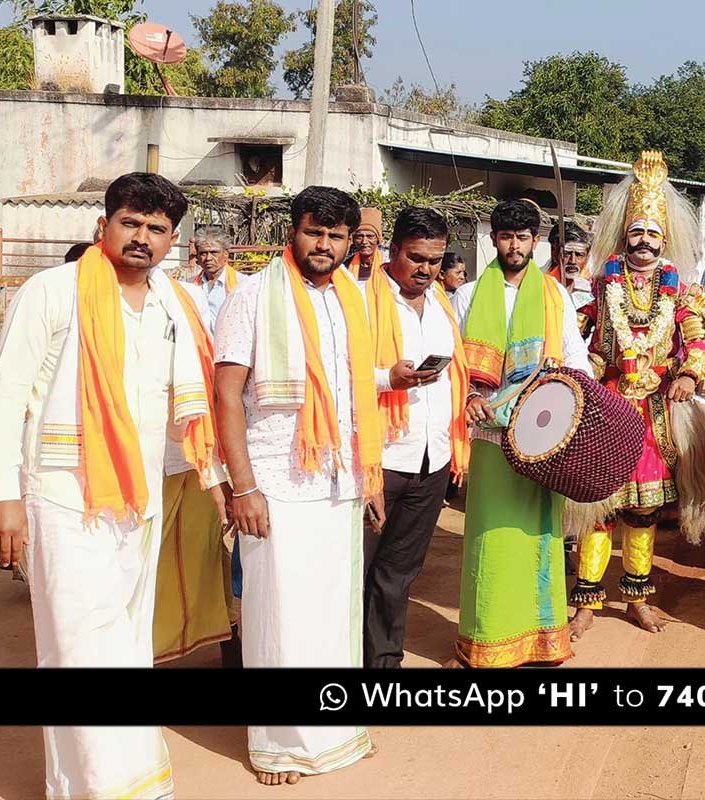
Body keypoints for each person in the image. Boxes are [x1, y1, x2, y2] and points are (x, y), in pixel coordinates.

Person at [0, 172, 224, 799]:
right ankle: (104, 787)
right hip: (63, 495)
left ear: (173, 239)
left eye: (157, 229)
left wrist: (213, 475)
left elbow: (183, 405)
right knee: (78, 646)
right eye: (131, 223)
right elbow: (6, 397)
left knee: (120, 644)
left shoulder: (174, 302)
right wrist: (0, 494)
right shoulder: (52, 290)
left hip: (138, 498)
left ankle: (103, 780)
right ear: (104, 225)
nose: (142, 238)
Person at [214, 186, 384, 785]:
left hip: (338, 480)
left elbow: (353, 386)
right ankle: (280, 744)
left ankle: (333, 731)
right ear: (295, 230)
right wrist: (243, 486)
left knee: (333, 610)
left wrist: (370, 476)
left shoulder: (351, 300)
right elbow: (226, 395)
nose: (326, 246)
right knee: (277, 613)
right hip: (275, 482)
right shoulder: (254, 297)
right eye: (316, 232)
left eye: (338, 236)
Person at [569, 151, 705, 639]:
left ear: (665, 239)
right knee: (597, 509)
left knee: (643, 510)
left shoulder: (683, 292)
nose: (645, 242)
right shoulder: (600, 284)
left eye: (653, 233)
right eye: (637, 232)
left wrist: (690, 375)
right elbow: (582, 344)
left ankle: (636, 598)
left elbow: (697, 343)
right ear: (623, 235)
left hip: (654, 413)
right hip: (608, 407)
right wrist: (581, 375)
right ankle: (586, 603)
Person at [449, 199, 590, 667]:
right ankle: (487, 640)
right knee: (490, 537)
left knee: (539, 536)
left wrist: (571, 386)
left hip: (539, 435)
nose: (515, 245)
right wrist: (469, 394)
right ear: (494, 240)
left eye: (524, 237)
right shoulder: (469, 295)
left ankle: (540, 640)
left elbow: (575, 355)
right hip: (489, 432)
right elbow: (453, 360)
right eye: (507, 237)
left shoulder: (555, 296)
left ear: (536, 242)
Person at [361, 207, 470, 669]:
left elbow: (453, 376)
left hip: (432, 458)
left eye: (434, 260)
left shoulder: (444, 306)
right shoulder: (360, 300)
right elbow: (335, 375)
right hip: (378, 458)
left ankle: (383, 665)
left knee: (399, 573)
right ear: (392, 250)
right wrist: (388, 379)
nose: (426, 269)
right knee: (354, 570)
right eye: (416, 258)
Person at [153, 270, 241, 669]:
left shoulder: (183, 295)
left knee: (207, 556)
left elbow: (208, 366)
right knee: (142, 567)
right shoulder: (76, 296)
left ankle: (229, 648)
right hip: (132, 461)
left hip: (192, 453)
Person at [191, 226, 239, 330]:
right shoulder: (190, 285)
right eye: (203, 253)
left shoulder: (241, 284)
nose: (208, 258)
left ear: (226, 254)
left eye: (214, 253)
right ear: (197, 257)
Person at [547, 220, 595, 312]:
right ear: (555, 254)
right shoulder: (544, 285)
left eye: (579, 255)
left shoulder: (591, 287)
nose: (572, 261)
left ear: (587, 257)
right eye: (567, 254)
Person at [351, 207, 385, 282]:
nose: (364, 241)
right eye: (359, 236)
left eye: (370, 236)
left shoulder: (388, 265)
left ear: (378, 239)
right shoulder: (346, 267)